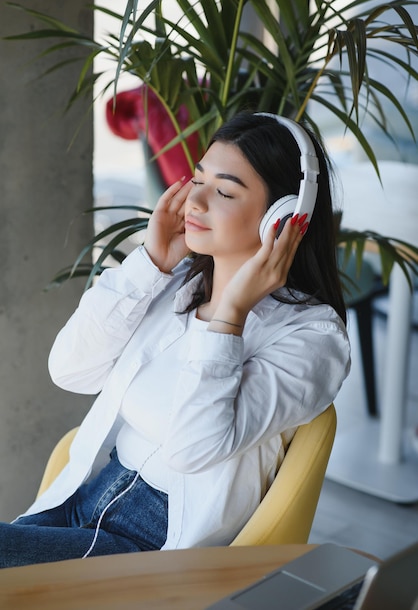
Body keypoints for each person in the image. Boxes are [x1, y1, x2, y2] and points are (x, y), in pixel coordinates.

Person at [0, 111, 350, 567]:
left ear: (284, 219)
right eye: (198, 179)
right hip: (86, 500)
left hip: (157, 547)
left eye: (224, 191)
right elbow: (69, 369)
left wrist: (229, 315)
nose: (196, 202)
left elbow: (193, 448)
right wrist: (149, 263)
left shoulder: (312, 336)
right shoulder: (175, 281)